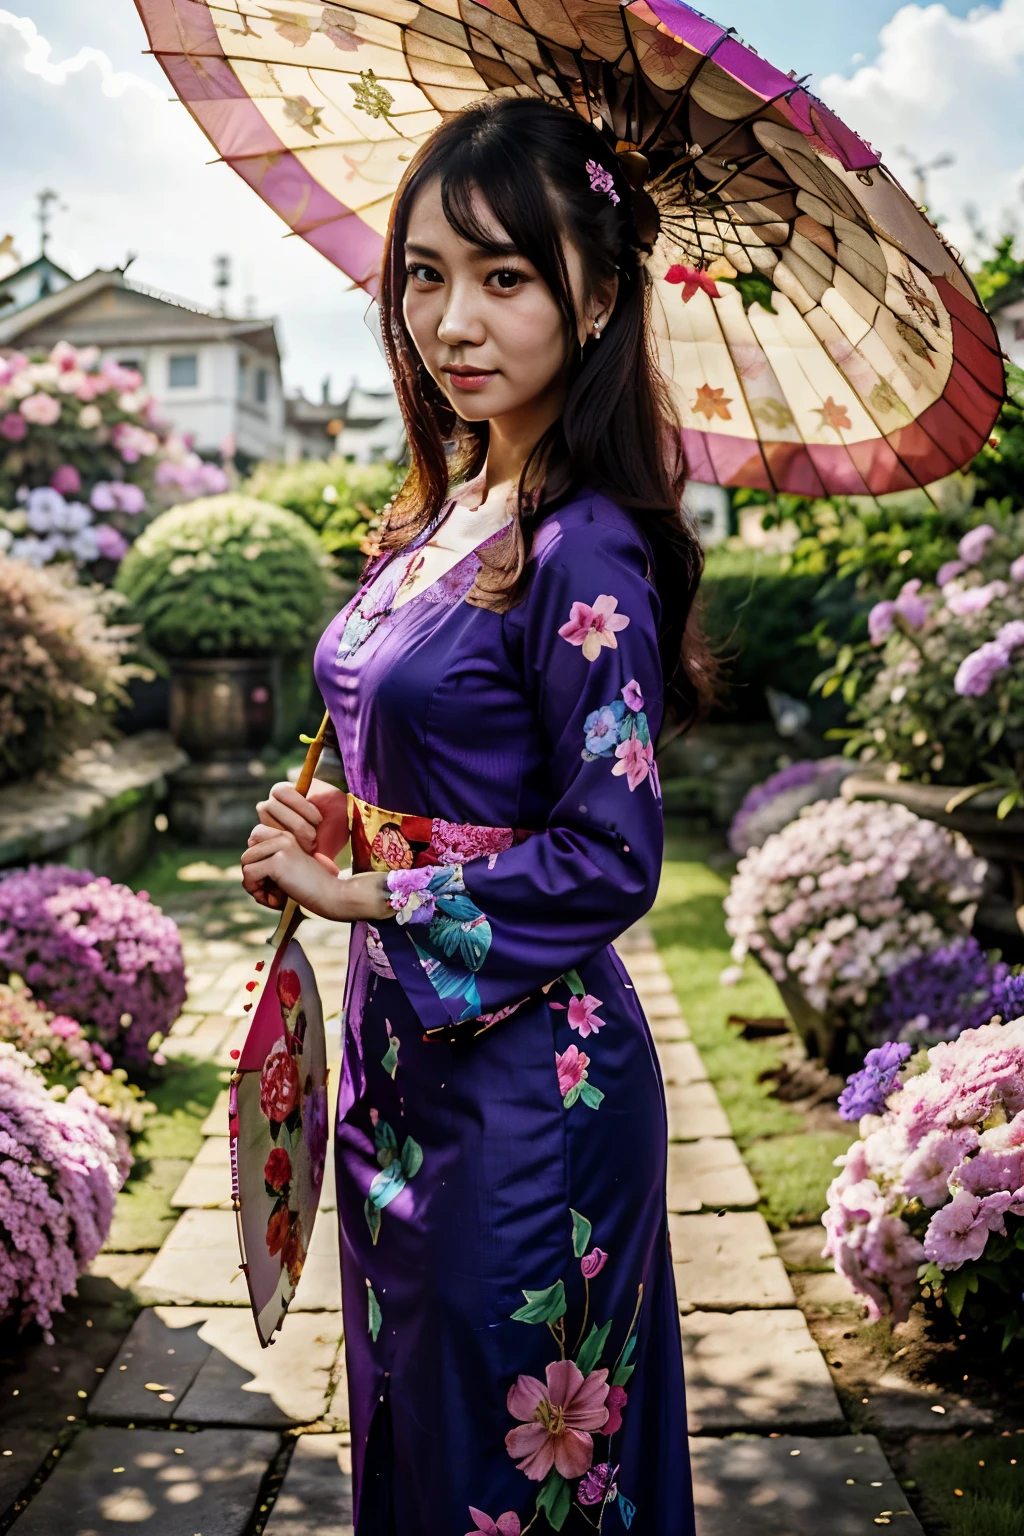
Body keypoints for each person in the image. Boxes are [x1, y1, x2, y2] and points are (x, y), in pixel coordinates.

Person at [241, 94, 712, 1536]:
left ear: (600, 295)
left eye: (505, 276)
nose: (453, 319)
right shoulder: (447, 513)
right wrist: (340, 832)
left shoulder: (586, 549)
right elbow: (425, 763)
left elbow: (607, 854)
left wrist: (374, 899)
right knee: (415, 1427)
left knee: (511, 1470)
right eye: (427, 274)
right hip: (400, 1064)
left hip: (531, 1101)